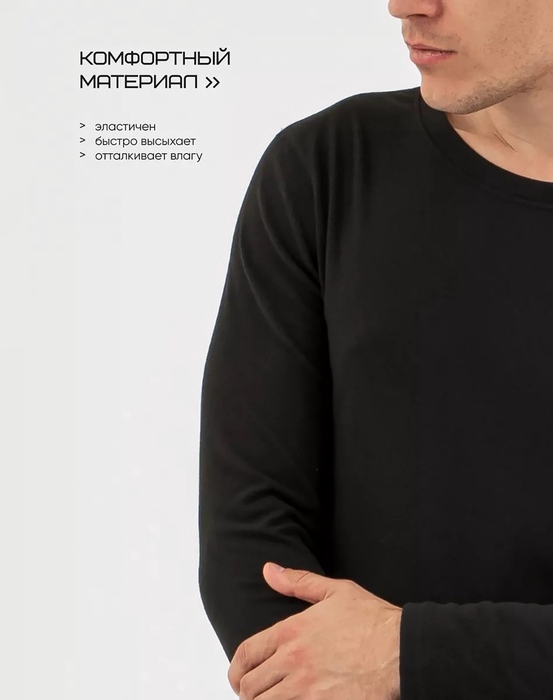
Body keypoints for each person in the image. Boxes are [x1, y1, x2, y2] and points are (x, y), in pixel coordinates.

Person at [198, 0, 553, 698]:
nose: (405, 4)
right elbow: (250, 542)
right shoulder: (328, 168)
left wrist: (406, 653)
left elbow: (387, 657)